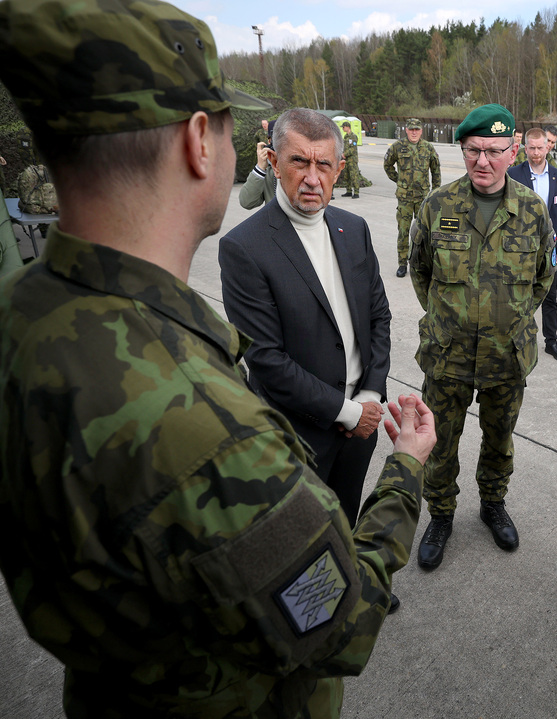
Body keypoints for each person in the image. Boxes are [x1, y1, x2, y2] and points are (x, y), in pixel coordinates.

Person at [0, 2, 437, 718]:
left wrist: (370, 393)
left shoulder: (25, 313)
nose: (315, 175)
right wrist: (409, 467)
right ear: (201, 140)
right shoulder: (208, 426)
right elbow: (339, 625)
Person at [220, 107, 391, 546]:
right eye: (299, 162)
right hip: (299, 435)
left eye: (323, 164)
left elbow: (379, 319)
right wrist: (348, 412)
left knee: (345, 519)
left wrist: (369, 397)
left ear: (340, 169)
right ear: (274, 164)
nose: (312, 178)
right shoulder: (244, 248)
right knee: (299, 540)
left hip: (362, 424)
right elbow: (266, 361)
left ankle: (351, 587)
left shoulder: (354, 229)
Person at [410, 104, 554, 570]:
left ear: (512, 151)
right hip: (447, 356)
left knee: (500, 439)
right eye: (473, 151)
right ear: (463, 150)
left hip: (506, 358)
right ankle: (441, 514)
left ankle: (493, 502)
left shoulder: (532, 210)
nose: (483, 162)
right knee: (441, 442)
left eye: (494, 151)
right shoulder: (437, 206)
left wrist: (506, 320)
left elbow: (542, 278)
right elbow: (421, 273)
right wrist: (451, 319)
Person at [509, 127, 557, 363]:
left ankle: (551, 341)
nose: (536, 153)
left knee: (550, 296)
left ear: (548, 146)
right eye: (532, 148)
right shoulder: (513, 175)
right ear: (525, 148)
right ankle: (516, 337)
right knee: (518, 295)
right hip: (518, 249)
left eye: (540, 147)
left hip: (549, 250)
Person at [383, 117, 441, 277]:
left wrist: (435, 193)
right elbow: (387, 164)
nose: (414, 132)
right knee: (403, 231)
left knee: (424, 232)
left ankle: (423, 263)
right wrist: (399, 180)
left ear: (421, 131)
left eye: (417, 129)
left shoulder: (428, 148)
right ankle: (402, 264)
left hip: (423, 198)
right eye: (411, 129)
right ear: (406, 130)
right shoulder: (397, 147)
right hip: (405, 199)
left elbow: (436, 171)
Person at [238, 118, 278, 209]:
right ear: (269, 142)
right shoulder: (269, 170)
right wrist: (260, 168)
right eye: (277, 139)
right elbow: (246, 202)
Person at [341, 120, 360, 198]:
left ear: (348, 127)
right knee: (346, 175)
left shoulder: (353, 136)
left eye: (344, 127)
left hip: (352, 160)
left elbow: (353, 149)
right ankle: (348, 191)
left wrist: (345, 154)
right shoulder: (346, 137)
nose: (343, 129)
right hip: (346, 160)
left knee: (354, 175)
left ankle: (356, 192)